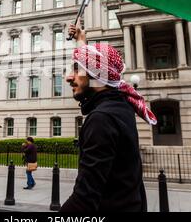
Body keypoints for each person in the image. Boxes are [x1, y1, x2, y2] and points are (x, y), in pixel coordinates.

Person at [60, 23, 157, 212]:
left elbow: (84, 200)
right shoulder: (121, 108)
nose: (69, 77)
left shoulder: (101, 120)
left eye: (76, 70)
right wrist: (81, 41)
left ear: (96, 75)